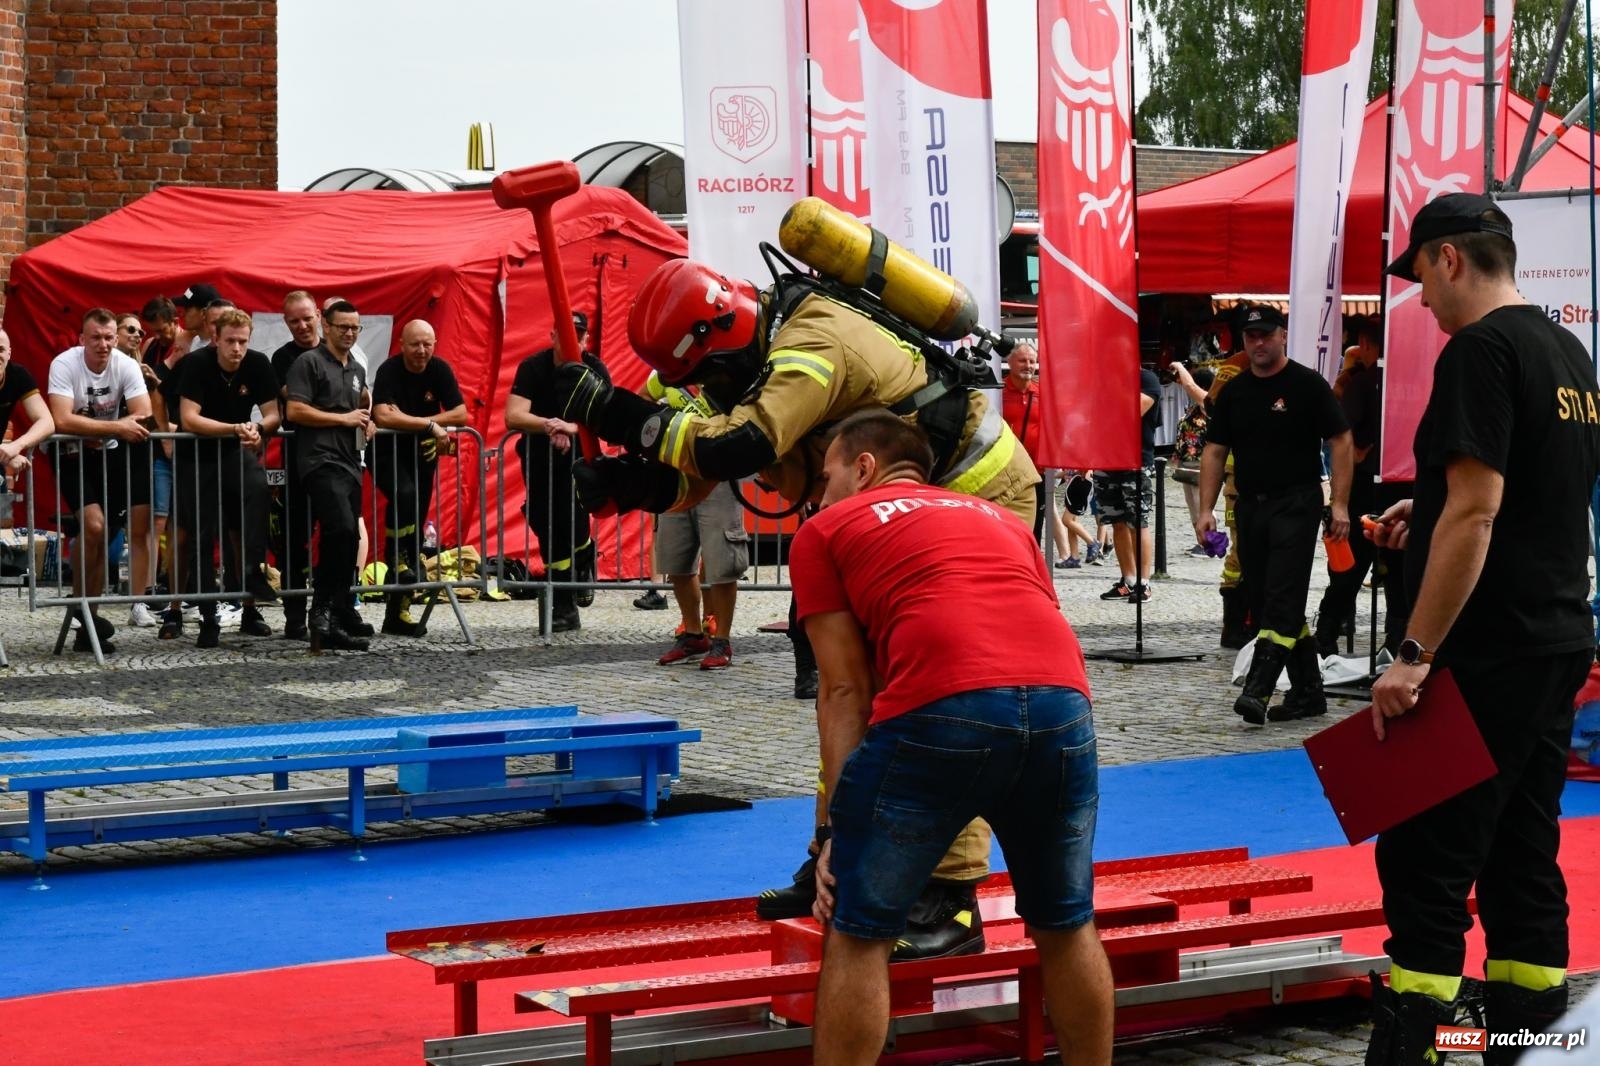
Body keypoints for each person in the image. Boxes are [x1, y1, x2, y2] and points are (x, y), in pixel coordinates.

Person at [554, 257, 1040, 958]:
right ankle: (835, 860)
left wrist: (614, 414)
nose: (708, 391)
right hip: (889, 511)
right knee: (848, 691)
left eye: (708, 376)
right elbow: (709, 461)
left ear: (721, 336)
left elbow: (740, 444)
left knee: (935, 691)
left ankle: (949, 896)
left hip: (975, 495)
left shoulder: (811, 339)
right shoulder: (748, 365)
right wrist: (633, 485)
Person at [794, 410, 1111, 1066]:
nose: (819, 494)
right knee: (1066, 922)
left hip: (944, 709)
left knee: (859, 932)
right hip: (1063, 705)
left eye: (826, 476)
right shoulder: (998, 518)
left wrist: (833, 834)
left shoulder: (825, 529)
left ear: (863, 467)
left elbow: (846, 691)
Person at [1363, 193, 1600, 1065]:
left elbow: (1478, 511)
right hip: (1554, 637)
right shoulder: (1567, 352)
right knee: (1520, 855)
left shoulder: (1478, 351)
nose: (1421, 298)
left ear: (1450, 259)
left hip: (1485, 650)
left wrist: (1413, 654)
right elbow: (1525, 492)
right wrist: (1423, 511)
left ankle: (1416, 1044)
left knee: (1426, 858)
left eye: (1420, 276)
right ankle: (1524, 1043)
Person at [1196, 304, 1352, 725]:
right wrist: (1205, 510)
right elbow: (1214, 451)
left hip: (1296, 503)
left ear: (1283, 336)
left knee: (1282, 596)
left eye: (1266, 334)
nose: (1259, 343)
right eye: (1251, 337)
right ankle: (1308, 693)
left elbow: (1340, 440)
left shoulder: (1307, 384)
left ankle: (1258, 689)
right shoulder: (1235, 391)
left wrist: (1339, 503)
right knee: (1267, 600)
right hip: (1250, 506)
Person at [45, 308, 153, 653]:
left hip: (108, 453)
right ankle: (82, 608)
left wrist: (100, 429)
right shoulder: (65, 364)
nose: (103, 345)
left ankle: (86, 619)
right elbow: (61, 420)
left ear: (116, 339)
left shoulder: (125, 364)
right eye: (95, 338)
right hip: (70, 453)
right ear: (82, 339)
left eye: (108, 338)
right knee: (93, 526)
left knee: (104, 535)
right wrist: (116, 427)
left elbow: (144, 412)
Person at [176, 308, 281, 647]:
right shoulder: (196, 363)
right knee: (202, 535)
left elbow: (273, 414)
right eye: (231, 341)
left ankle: (252, 574)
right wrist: (236, 429)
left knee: (258, 489)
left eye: (243, 342)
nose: (237, 349)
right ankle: (208, 618)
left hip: (234, 450)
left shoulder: (258, 363)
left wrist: (257, 428)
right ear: (216, 339)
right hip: (197, 455)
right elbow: (189, 418)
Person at [503, 311, 605, 635]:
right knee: (545, 522)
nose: (573, 339)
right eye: (565, 333)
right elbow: (513, 415)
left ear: (586, 339)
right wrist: (550, 425)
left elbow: (607, 415)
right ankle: (563, 604)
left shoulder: (594, 368)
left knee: (572, 520)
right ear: (553, 336)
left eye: (579, 334)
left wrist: (571, 428)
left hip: (580, 457)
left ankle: (583, 559)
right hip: (539, 458)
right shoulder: (534, 367)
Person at [369, 319, 468, 637]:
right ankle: (396, 558)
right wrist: (429, 426)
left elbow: (460, 413)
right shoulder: (389, 370)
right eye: (415, 344)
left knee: (415, 516)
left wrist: (417, 422)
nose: (422, 350)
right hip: (385, 453)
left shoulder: (439, 369)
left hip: (421, 456)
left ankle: (397, 613)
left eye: (427, 344)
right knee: (405, 494)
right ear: (402, 344)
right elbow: (383, 415)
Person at [284, 299, 372, 652]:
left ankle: (334, 615)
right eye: (343, 327)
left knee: (348, 539)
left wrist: (366, 420)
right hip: (319, 460)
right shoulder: (309, 362)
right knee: (342, 528)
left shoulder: (357, 368)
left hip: (350, 461)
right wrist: (343, 419)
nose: (349, 333)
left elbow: (359, 406)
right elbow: (295, 410)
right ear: (326, 326)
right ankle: (320, 609)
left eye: (355, 328)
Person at [645, 374, 748, 670]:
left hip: (718, 476)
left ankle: (722, 640)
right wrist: (659, 420)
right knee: (676, 561)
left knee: (722, 563)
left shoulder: (730, 370)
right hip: (675, 475)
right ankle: (693, 634)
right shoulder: (664, 373)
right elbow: (643, 398)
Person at [1313, 317, 1382, 655]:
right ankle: (1399, 639)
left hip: (1363, 484)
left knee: (1349, 567)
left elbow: (1340, 433)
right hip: (1401, 483)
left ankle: (1326, 634)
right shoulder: (1404, 378)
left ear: (1365, 344)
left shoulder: (1362, 383)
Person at [269, 289, 321, 640]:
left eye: (306, 318)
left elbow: (359, 395)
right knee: (294, 539)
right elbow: (295, 401)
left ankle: (333, 610)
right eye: (294, 321)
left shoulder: (338, 350)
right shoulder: (283, 357)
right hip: (298, 455)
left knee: (339, 534)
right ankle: (294, 615)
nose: (302, 326)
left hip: (336, 456)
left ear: (318, 315)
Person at [1095, 363, 1163, 603]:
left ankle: (1144, 583)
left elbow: (1130, 412)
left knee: (1138, 522)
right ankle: (1128, 580)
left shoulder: (1147, 379)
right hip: (1106, 459)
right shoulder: (1105, 377)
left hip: (1135, 461)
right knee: (1117, 522)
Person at [0, 328, 56, 486]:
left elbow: (46, 422)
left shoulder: (17, 375)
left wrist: (15, 446)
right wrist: (6, 455)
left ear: (9, 353)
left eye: (1, 350)